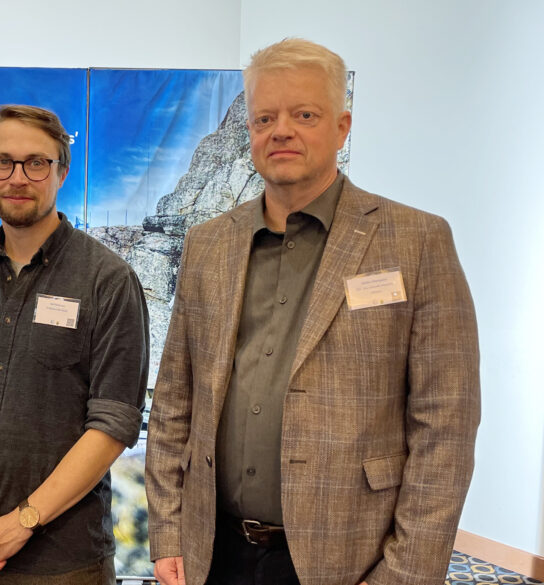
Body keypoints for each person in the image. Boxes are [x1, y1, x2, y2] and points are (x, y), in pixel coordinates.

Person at [145, 38, 480, 585]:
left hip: (352, 555)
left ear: (342, 127)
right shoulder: (208, 244)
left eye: (305, 114)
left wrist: (408, 572)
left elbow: (446, 424)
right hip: (213, 552)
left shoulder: (416, 241)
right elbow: (174, 401)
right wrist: (168, 533)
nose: (281, 130)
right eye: (264, 117)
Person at [0, 105, 149, 584]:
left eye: (36, 162)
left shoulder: (108, 280)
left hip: (62, 564)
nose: (18, 177)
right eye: (3, 162)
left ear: (61, 171)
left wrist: (24, 521)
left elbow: (114, 421)